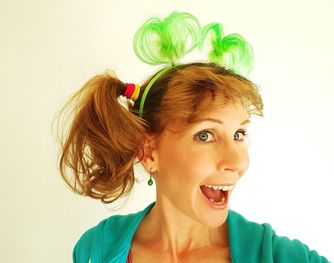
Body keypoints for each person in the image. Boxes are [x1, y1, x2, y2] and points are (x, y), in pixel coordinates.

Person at [55, 11, 330, 263]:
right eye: (206, 135)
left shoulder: (282, 257)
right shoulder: (96, 250)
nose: (237, 161)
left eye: (239, 134)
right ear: (149, 152)